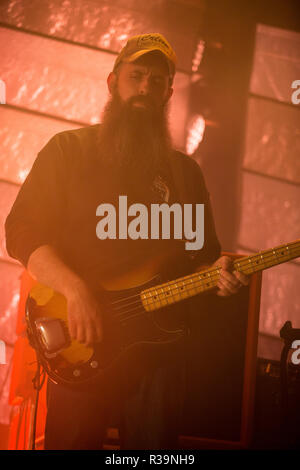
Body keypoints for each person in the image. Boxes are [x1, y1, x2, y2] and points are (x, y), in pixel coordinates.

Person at [5, 33, 249, 450]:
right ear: (113, 81)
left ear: (169, 93)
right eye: (137, 76)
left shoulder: (186, 175)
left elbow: (203, 258)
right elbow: (23, 232)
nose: (145, 88)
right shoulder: (67, 151)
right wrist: (74, 288)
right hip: (82, 342)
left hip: (160, 355)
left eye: (157, 81)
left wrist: (217, 277)